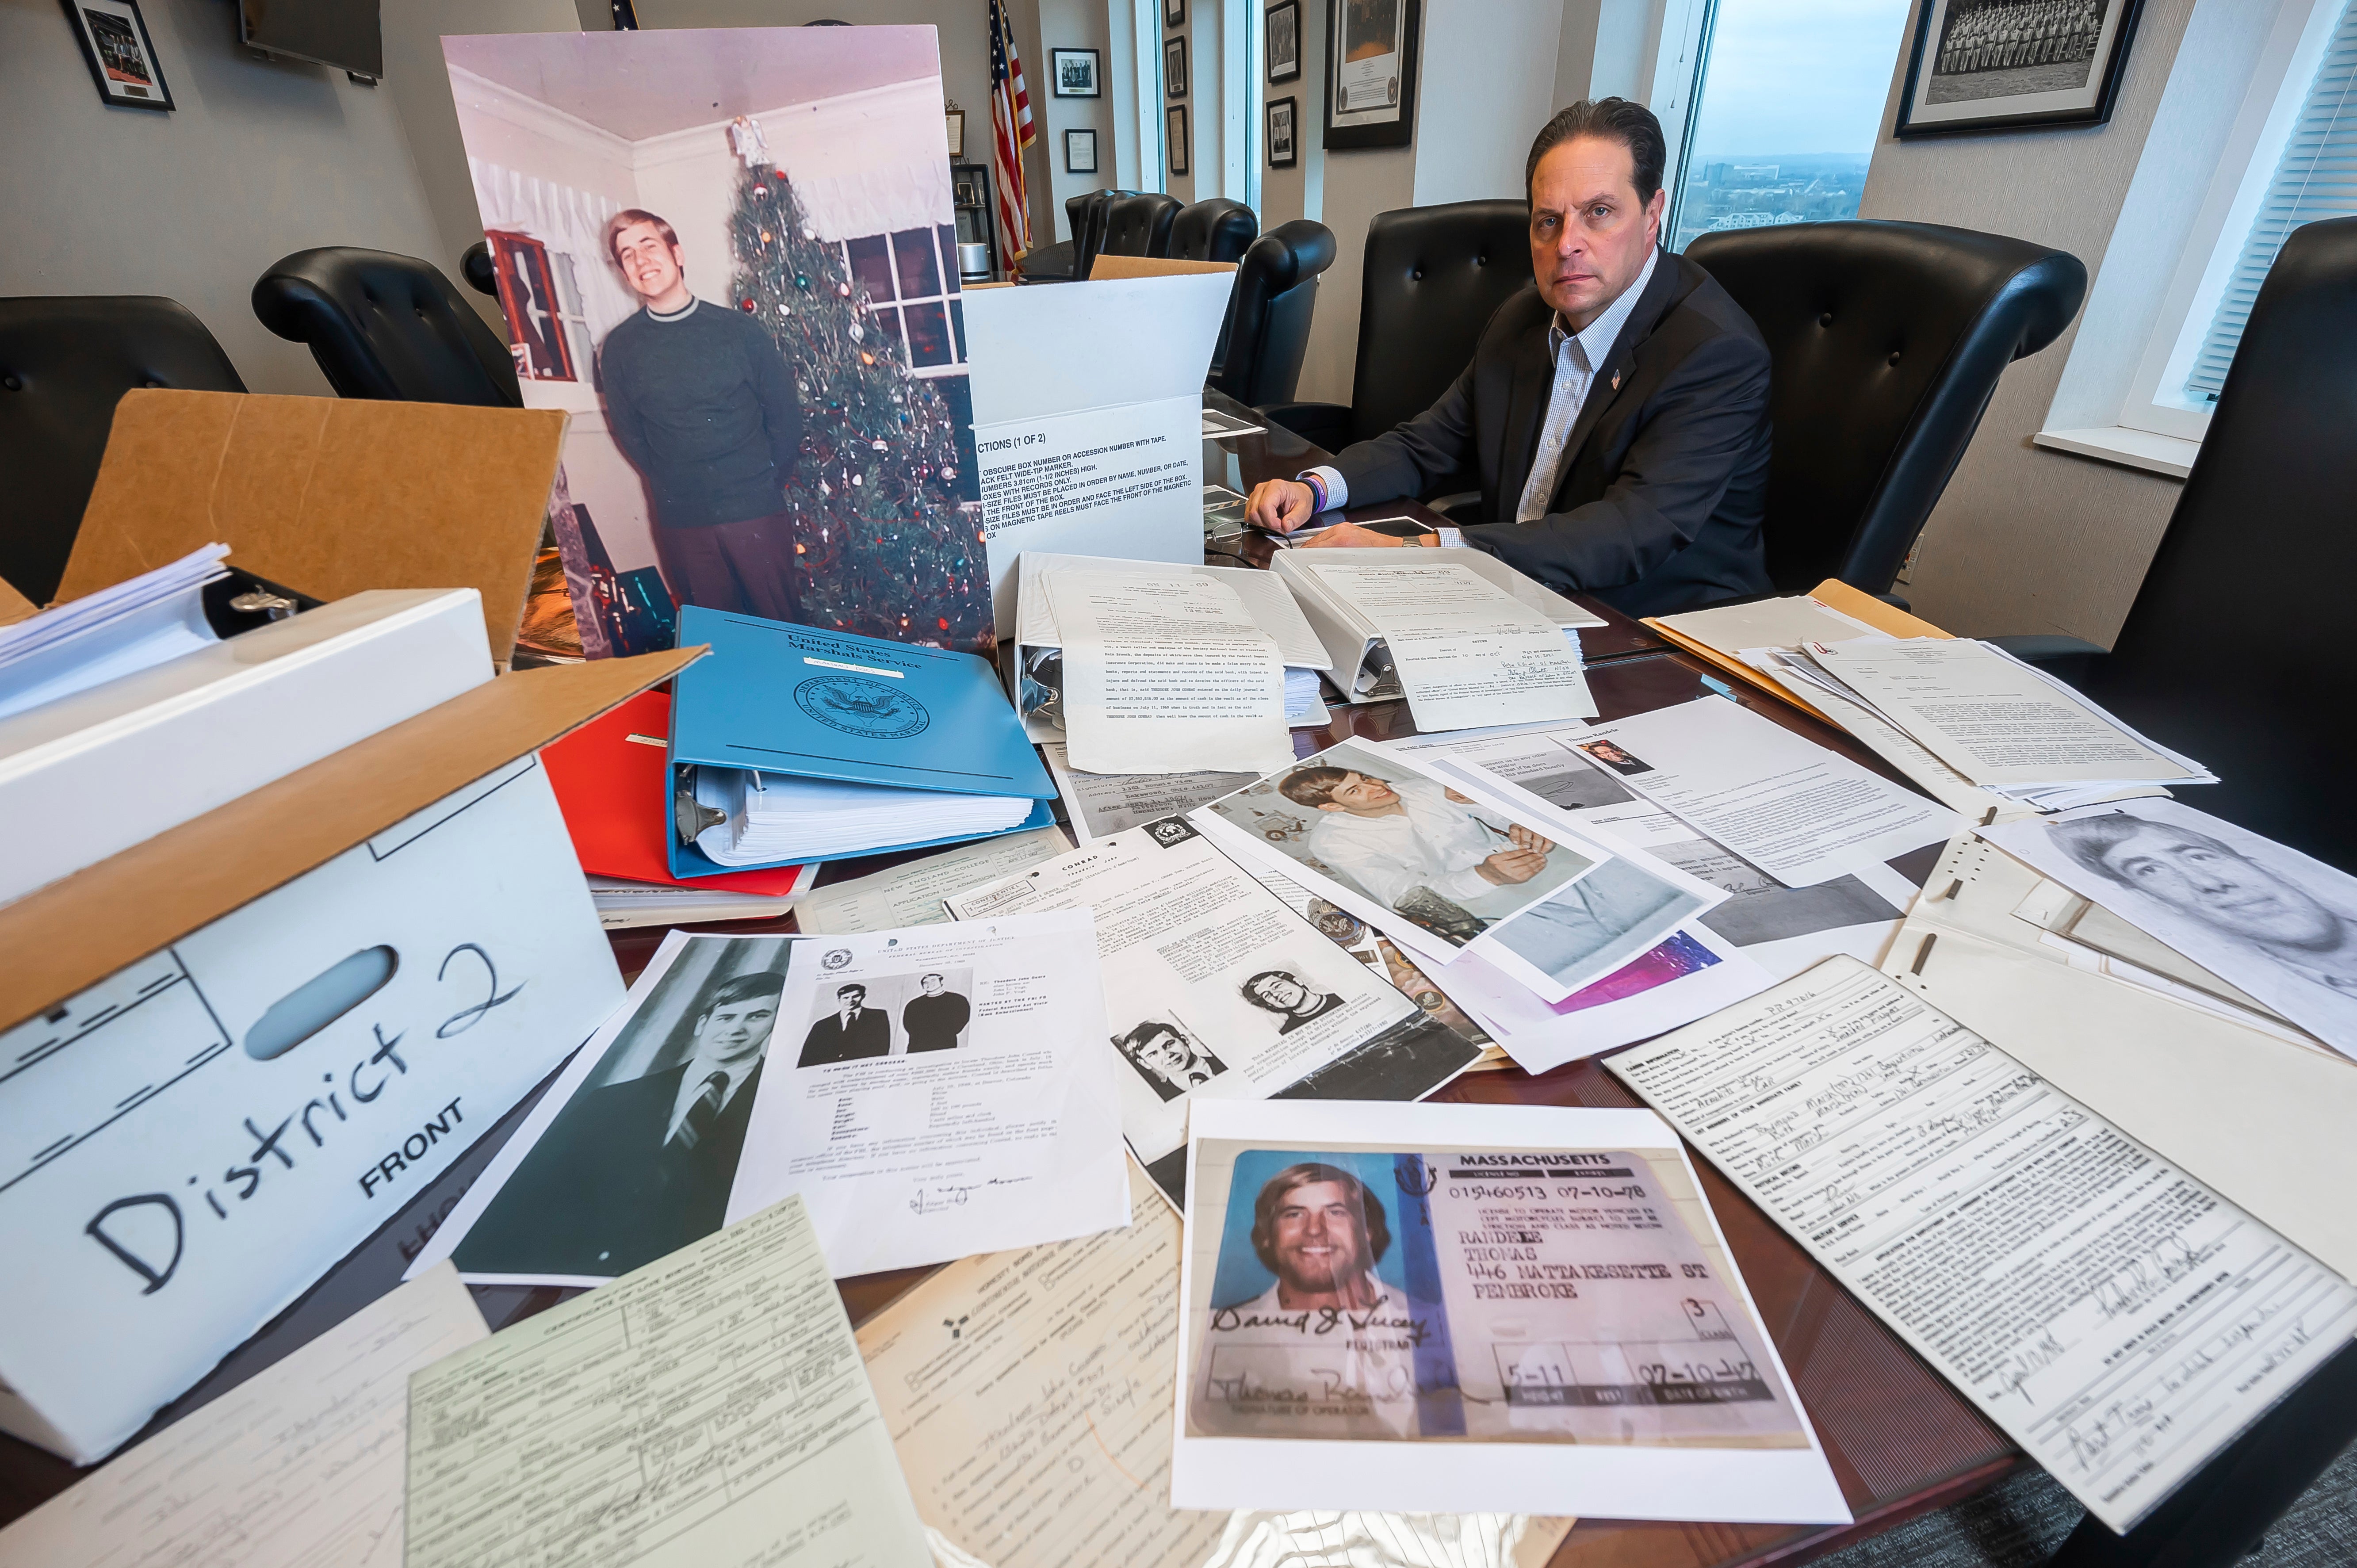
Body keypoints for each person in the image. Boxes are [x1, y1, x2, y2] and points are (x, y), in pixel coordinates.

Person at [1241, 99, 1772, 617]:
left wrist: (1414, 555)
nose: (1567, 244)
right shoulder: (1521, 319)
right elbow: (1428, 445)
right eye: (1548, 221)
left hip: (1659, 639)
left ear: (1652, 215)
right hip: (1522, 600)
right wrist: (1314, 487)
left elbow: (1630, 531)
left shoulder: (1713, 352)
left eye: (1599, 213)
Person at [450, 970, 784, 1278]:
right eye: (726, 1017)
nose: (735, 1030)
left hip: (694, 1272)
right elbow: (541, 1193)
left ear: (774, 1025)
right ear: (702, 1024)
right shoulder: (611, 1101)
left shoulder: (781, 1103)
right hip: (569, 1267)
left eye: (757, 1017)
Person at [597, 208, 805, 623]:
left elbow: (786, 419)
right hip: (682, 520)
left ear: (678, 254)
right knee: (716, 641)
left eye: (649, 246)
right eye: (627, 256)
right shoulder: (618, 348)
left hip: (754, 512)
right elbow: (630, 433)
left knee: (782, 630)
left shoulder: (740, 332)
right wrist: (674, 483)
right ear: (623, 272)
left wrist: (760, 483)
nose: (641, 262)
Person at [2052, 814, 2357, 1038]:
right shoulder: (2281, 1013)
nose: (2209, 884)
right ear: (2160, 902)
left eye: (2200, 857)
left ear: (2261, 865)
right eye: (2150, 871)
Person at [1195, 1163, 1441, 1437]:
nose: (1315, 1230)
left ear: (1367, 1232)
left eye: (1336, 1213)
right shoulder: (1211, 1338)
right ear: (1267, 1236)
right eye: (1294, 1214)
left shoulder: (1439, 1326)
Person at [1280, 764, 1569, 928]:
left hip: (1540, 862)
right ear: (1332, 806)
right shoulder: (1333, 844)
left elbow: (1493, 812)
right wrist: (1487, 876)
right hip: (1476, 906)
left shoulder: (1420, 788)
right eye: (1357, 790)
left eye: (1365, 778)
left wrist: (1521, 822)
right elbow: (1403, 896)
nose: (1378, 786)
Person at [1115, 1019, 1227, 1101]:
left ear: (1184, 1040)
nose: (1167, 1055)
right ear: (1144, 1064)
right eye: (1153, 1054)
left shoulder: (1223, 1060)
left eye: (1169, 1045)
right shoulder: (1166, 1095)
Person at [798, 983, 892, 1066]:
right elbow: (806, 1057)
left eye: (856, 996)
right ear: (839, 1000)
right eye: (846, 998)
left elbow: (882, 1047)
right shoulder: (821, 1025)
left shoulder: (878, 1016)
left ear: (863, 996)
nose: (850, 1001)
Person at [1240, 969, 1347, 1033]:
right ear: (1270, 1004)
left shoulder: (1342, 998)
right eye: (1267, 995)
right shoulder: (1288, 1031)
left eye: (1277, 986)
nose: (1276, 994)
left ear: (1298, 981)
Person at [901, 972, 970, 1052]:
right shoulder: (914, 1004)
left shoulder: (957, 1000)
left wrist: (946, 1032)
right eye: (926, 983)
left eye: (933, 981)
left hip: (945, 1044)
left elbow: (962, 1018)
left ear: (942, 983)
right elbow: (908, 1025)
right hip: (917, 1045)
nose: (929, 984)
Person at [1577, 738, 1653, 776]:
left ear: (1618, 751)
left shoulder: (1637, 759)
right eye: (1605, 753)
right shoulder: (1615, 769)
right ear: (1601, 756)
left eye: (1613, 751)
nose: (1613, 754)